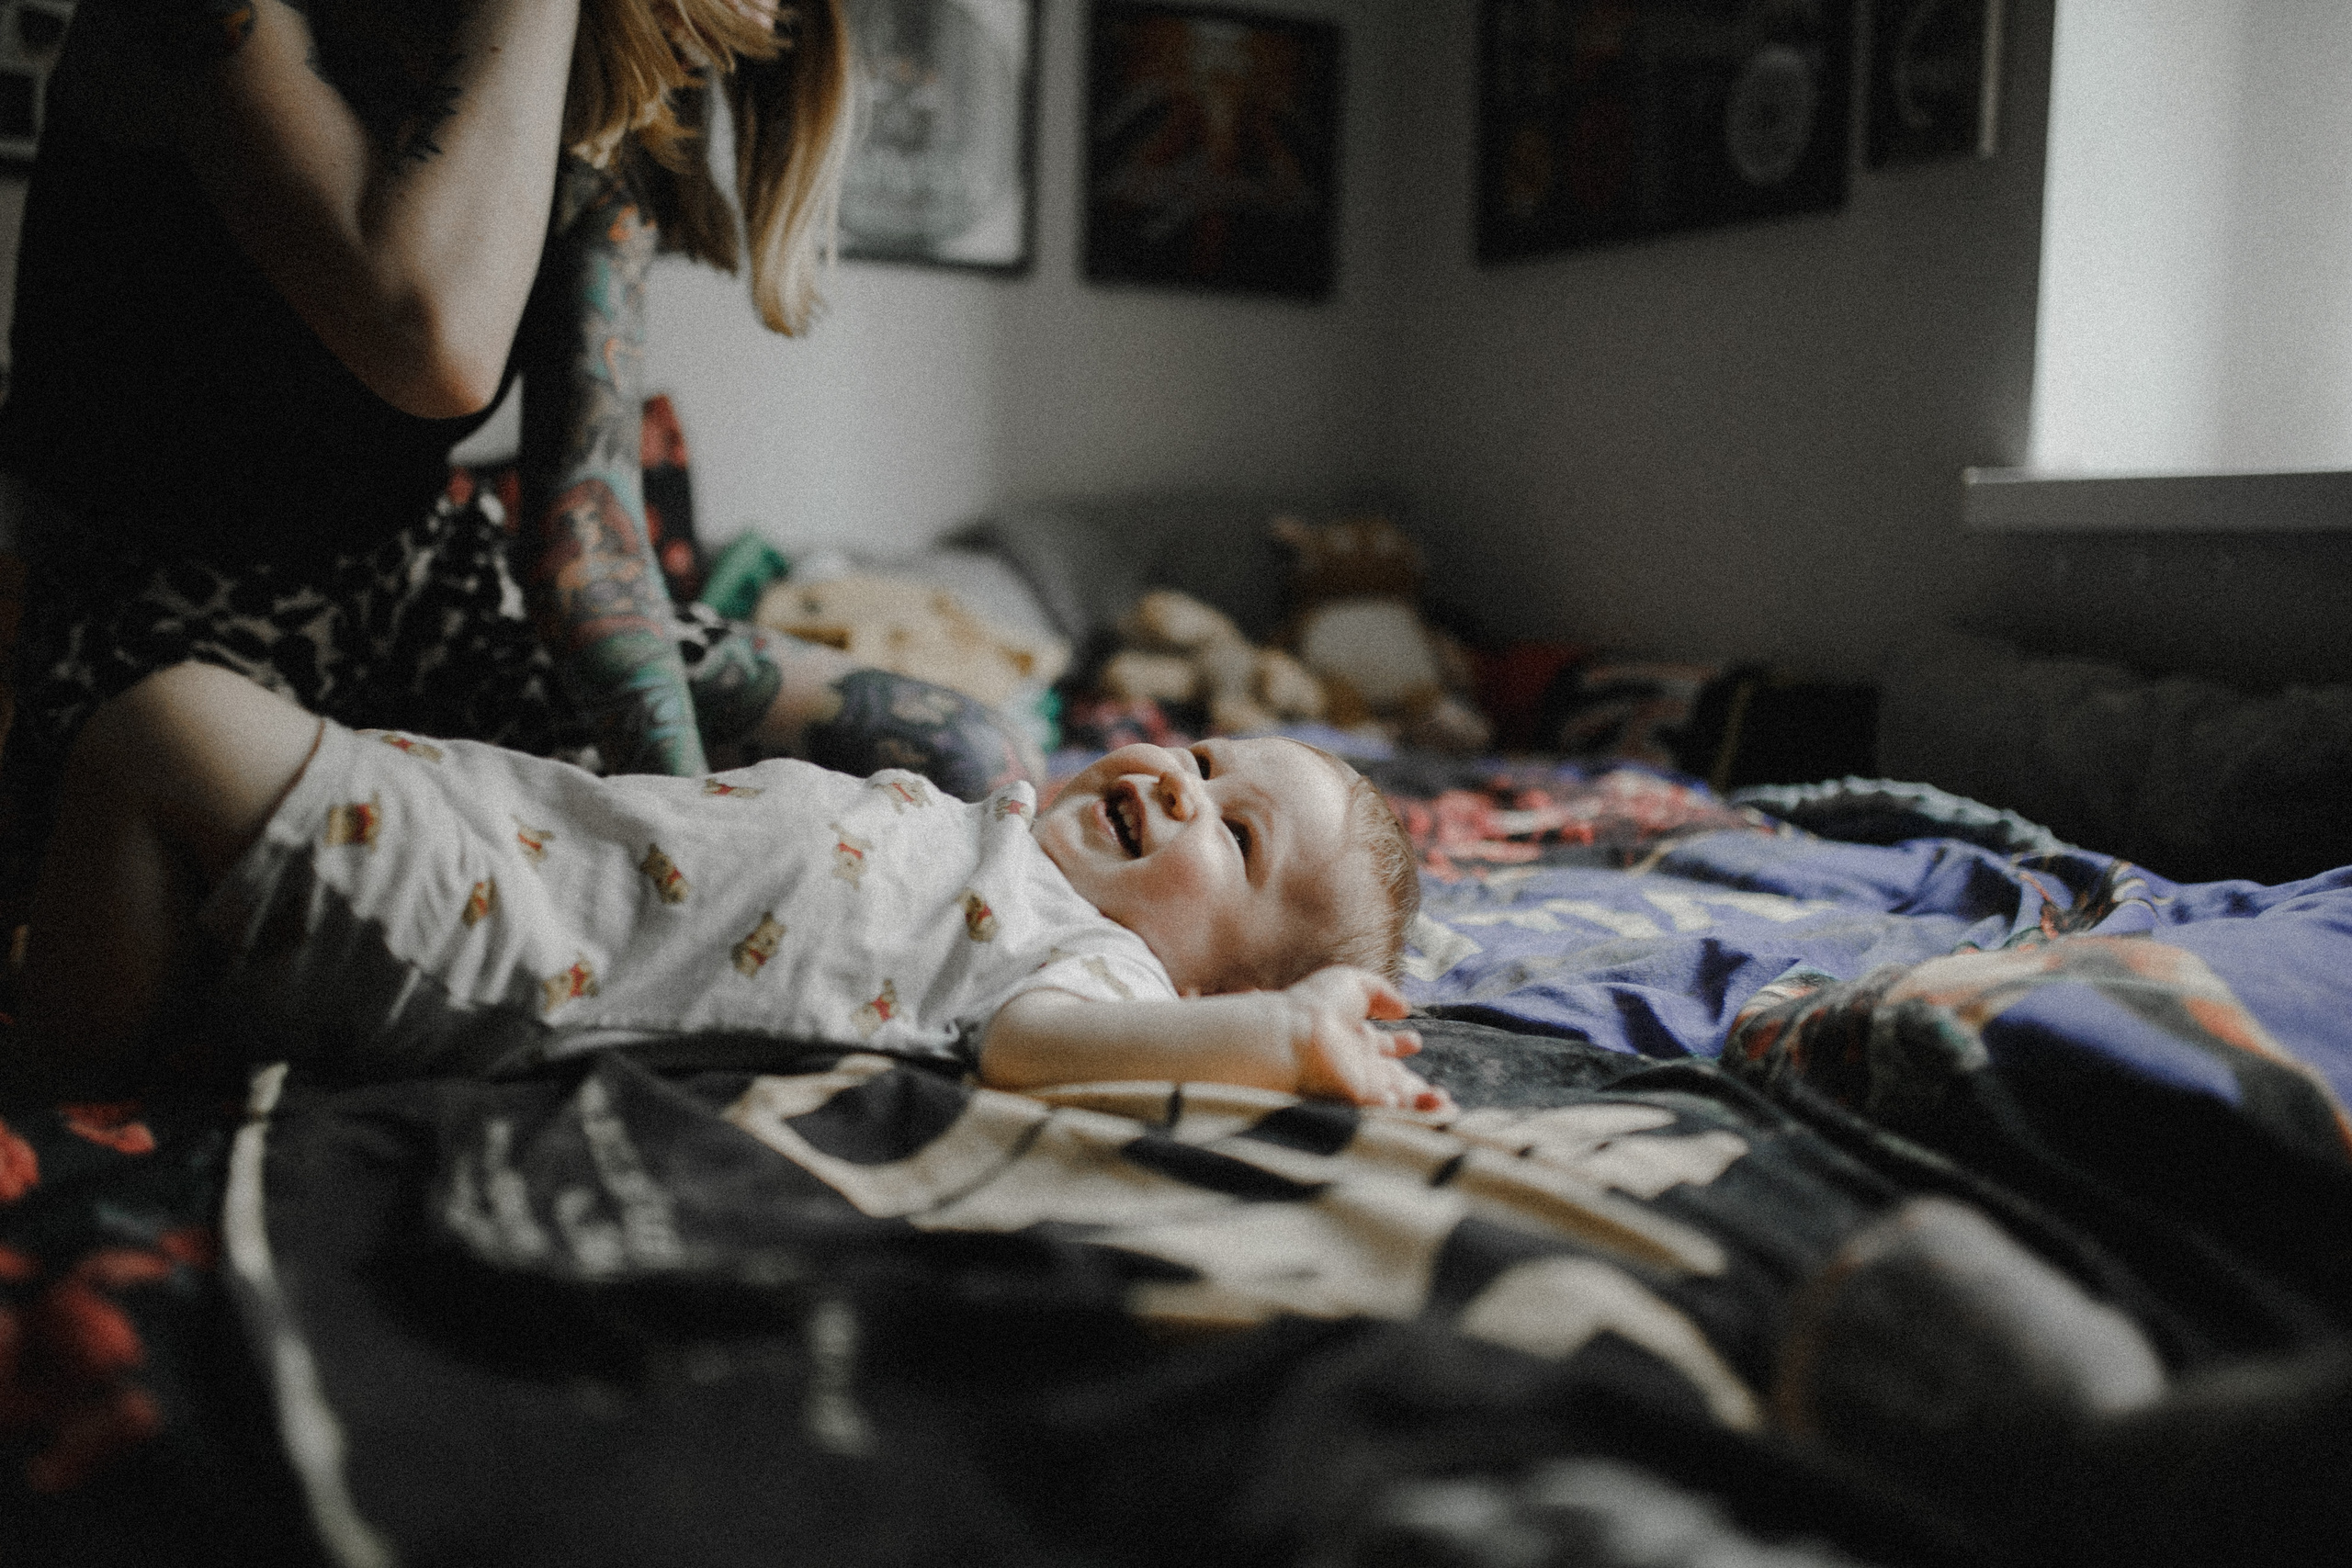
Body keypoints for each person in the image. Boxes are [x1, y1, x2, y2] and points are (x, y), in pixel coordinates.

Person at [0, 0, 1029, 861]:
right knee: (333, 925)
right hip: (136, 620)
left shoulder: (586, 125)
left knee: (962, 756)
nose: (764, 16)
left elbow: (586, 550)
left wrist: (689, 843)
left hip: (413, 596)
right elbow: (432, 338)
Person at [15, 663, 1447, 1111]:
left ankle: (55, 1071)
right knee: (184, 791)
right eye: (1202, 751)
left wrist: (1283, 1038)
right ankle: (122, 998)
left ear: (1208, 983)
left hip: (518, 936)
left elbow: (1045, 1049)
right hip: (526, 827)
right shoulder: (1009, 836)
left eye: (1240, 839)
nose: (1184, 780)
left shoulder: (1102, 970)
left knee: (169, 729)